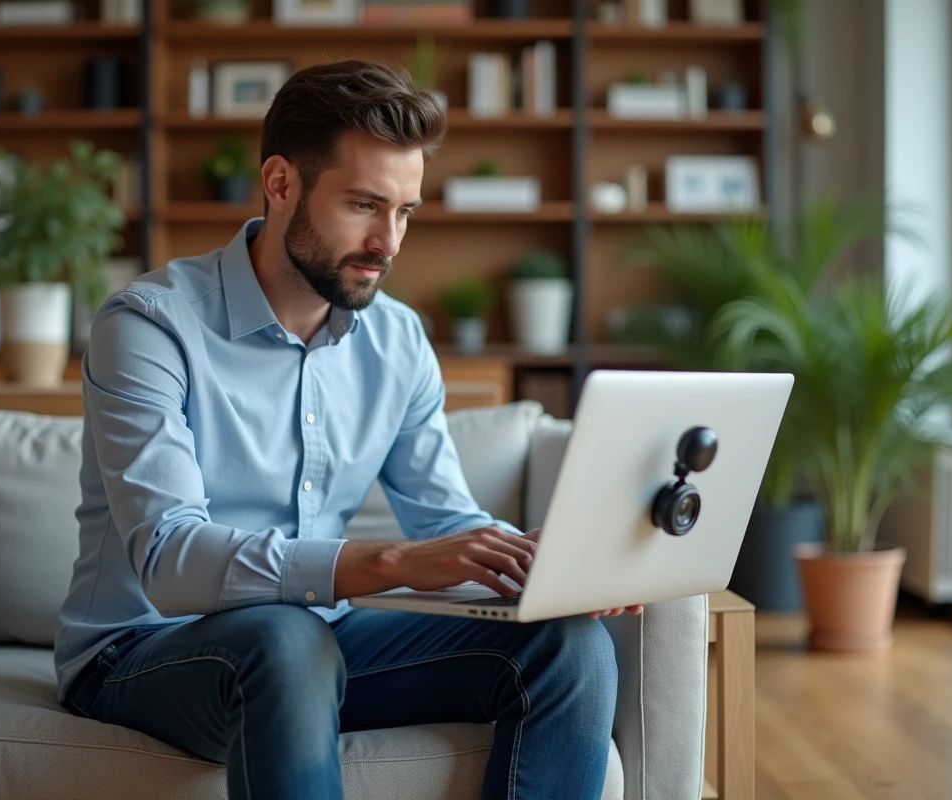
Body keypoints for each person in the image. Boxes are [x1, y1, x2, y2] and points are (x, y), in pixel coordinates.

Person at [54, 59, 642, 800]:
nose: (388, 242)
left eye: (405, 212)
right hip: (143, 651)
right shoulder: (149, 326)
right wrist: (389, 561)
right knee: (285, 638)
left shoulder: (397, 340)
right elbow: (170, 559)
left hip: (319, 641)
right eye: (365, 205)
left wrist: (541, 567)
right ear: (280, 183)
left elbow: (446, 519)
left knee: (569, 646)